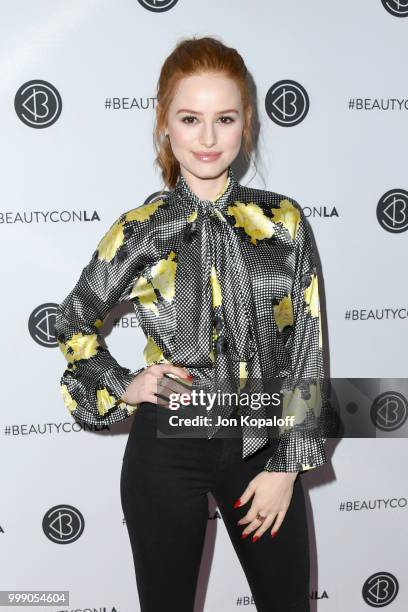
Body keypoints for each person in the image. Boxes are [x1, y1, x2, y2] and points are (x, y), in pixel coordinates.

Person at [54, 35, 333, 612]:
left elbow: (306, 349)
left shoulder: (281, 222)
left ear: (246, 124)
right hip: (166, 449)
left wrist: (287, 467)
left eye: (224, 119)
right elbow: (73, 320)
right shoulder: (140, 228)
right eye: (190, 118)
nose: (207, 138)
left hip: (262, 441)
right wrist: (125, 383)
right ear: (165, 124)